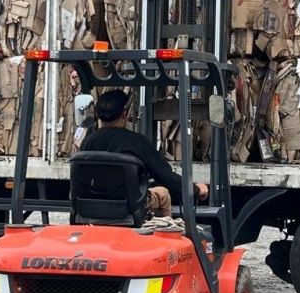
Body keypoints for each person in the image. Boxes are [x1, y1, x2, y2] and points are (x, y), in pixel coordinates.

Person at [80, 89, 208, 218]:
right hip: (128, 206)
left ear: (96, 114)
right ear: (124, 114)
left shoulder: (87, 142)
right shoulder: (136, 142)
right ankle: (165, 231)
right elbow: (166, 177)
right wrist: (196, 190)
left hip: (91, 205)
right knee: (162, 193)